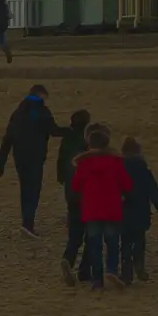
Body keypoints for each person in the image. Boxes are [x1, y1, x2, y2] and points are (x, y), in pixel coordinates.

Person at [0, 83, 68, 237]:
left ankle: (26, 221)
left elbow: (8, 138)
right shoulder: (42, 111)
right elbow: (54, 131)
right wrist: (73, 130)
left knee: (25, 187)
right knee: (33, 189)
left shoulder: (18, 112)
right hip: (35, 156)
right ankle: (28, 223)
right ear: (41, 95)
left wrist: (0, 162)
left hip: (20, 156)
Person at [69, 123, 132, 289]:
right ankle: (111, 269)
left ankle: (97, 279)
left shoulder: (84, 164)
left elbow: (75, 185)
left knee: (94, 244)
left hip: (91, 209)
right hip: (112, 208)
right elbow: (127, 183)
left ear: (89, 145)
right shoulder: (116, 162)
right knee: (112, 242)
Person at [119, 136, 158, 285]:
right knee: (139, 240)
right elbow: (154, 192)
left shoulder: (118, 167)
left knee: (125, 243)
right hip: (141, 211)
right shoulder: (143, 168)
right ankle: (139, 264)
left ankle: (126, 274)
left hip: (123, 211)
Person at [57, 109, 93, 286]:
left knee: (75, 234)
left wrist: (61, 178)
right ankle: (84, 270)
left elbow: (60, 161)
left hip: (70, 191)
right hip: (85, 197)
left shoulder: (67, 140)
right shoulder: (85, 145)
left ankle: (68, 258)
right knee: (91, 235)